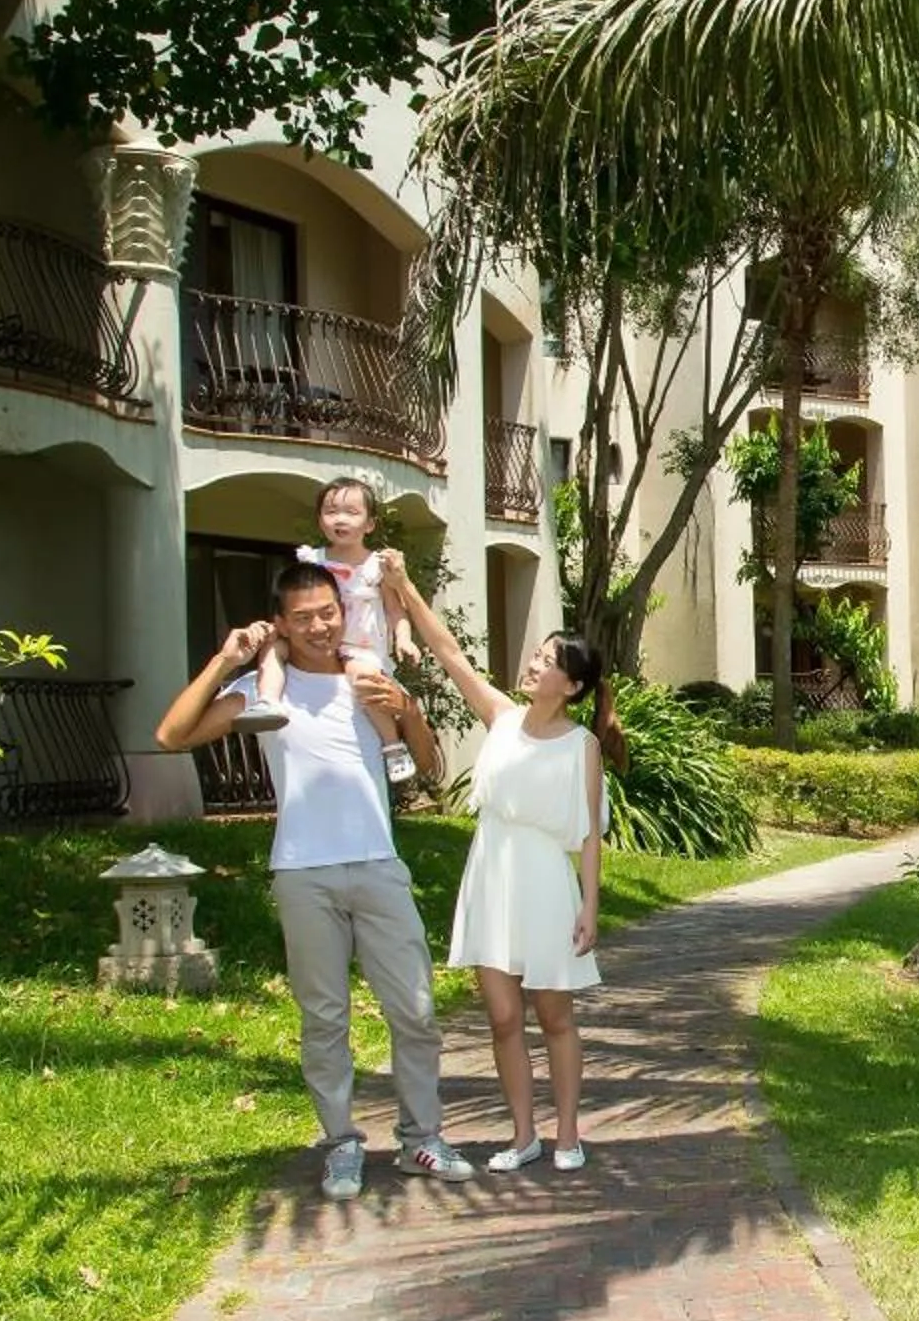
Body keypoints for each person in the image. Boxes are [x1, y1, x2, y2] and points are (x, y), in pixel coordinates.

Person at [154, 560, 476, 1197]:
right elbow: (171, 735)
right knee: (324, 1020)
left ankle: (422, 1141)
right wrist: (224, 661)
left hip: (378, 865)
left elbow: (429, 766)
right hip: (303, 872)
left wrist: (407, 709)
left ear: (342, 610)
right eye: (302, 618)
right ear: (280, 623)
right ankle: (341, 1144)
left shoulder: (369, 676)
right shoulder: (261, 689)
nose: (319, 626)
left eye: (328, 612)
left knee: (415, 1010)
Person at [382, 553, 615, 1174]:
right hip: (491, 875)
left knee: (554, 1014)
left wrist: (590, 906)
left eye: (547, 660)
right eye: (536, 654)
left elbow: (589, 836)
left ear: (571, 686)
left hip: (546, 882)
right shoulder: (502, 719)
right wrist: (405, 588)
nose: (534, 663)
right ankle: (523, 1136)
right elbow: (450, 653)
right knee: (504, 1016)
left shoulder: (582, 746)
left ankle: (568, 1135)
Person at [230, 479, 421, 785]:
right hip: (312, 641)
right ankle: (268, 701)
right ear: (319, 520)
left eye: (351, 512)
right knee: (273, 648)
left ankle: (392, 745)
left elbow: (395, 610)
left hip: (359, 647)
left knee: (364, 681)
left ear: (370, 524)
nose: (340, 519)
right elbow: (293, 600)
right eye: (331, 512)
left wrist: (404, 638)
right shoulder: (312, 560)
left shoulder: (377, 567)